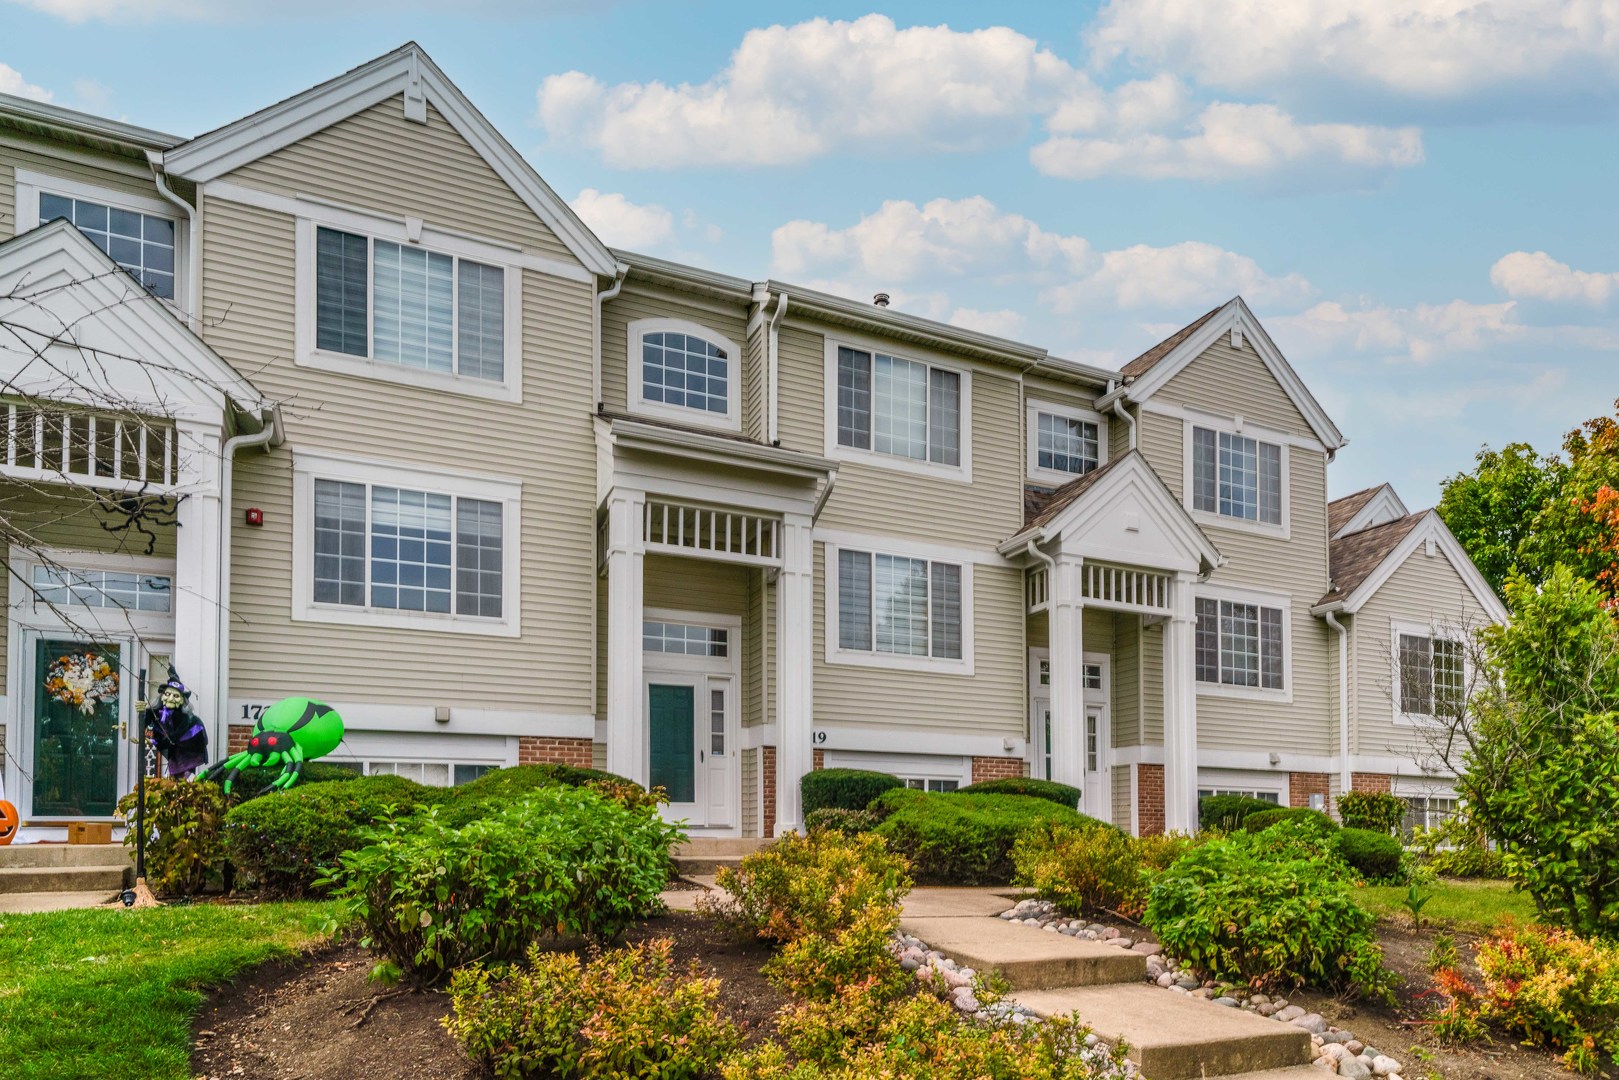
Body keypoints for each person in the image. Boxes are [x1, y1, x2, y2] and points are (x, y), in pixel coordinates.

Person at [134, 669, 209, 778]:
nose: (170, 699)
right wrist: (142, 711)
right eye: (167, 694)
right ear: (162, 696)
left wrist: (152, 741)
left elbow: (171, 739)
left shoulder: (186, 719)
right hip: (173, 752)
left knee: (183, 777)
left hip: (188, 751)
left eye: (176, 696)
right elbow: (147, 719)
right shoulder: (157, 712)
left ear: (182, 700)